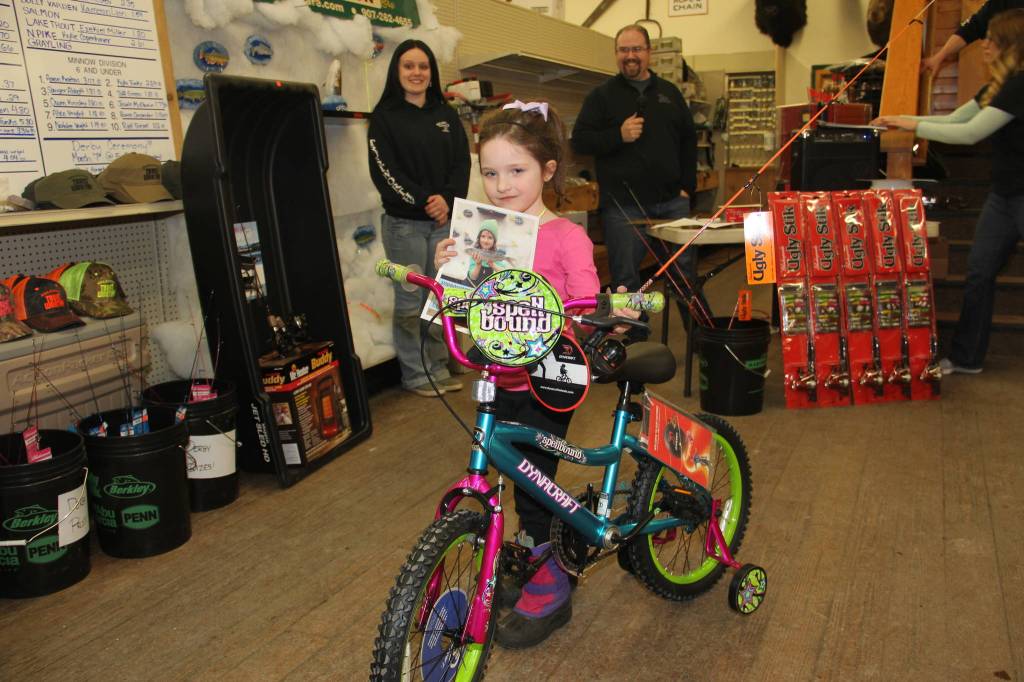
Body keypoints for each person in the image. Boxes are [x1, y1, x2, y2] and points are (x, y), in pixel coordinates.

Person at [434, 101, 638, 649]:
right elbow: (457, 304)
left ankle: (552, 581)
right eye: (491, 172)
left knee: (534, 483)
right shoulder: (485, 235)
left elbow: (587, 298)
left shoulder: (567, 237)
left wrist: (599, 313)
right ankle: (526, 550)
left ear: (548, 171)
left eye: (516, 171)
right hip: (497, 374)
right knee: (503, 471)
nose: (501, 186)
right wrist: (446, 270)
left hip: (547, 382)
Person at [873, 8, 1024, 374]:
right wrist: (904, 120)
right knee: (979, 271)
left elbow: (969, 134)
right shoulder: (997, 87)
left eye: (992, 40)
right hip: (1004, 196)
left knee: (980, 272)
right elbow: (957, 119)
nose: (983, 44)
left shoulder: (1020, 85)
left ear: (1011, 47)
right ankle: (967, 358)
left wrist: (913, 126)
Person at [571, 24, 702, 315]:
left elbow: (688, 140)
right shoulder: (601, 96)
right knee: (627, 285)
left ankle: (699, 343)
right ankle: (633, 344)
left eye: (636, 49)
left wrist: (686, 188)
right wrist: (618, 135)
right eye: (623, 50)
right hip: (623, 208)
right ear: (616, 54)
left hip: (671, 203)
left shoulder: (669, 93)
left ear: (649, 53)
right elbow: (580, 140)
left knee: (684, 277)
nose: (630, 56)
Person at [368, 39, 470, 397]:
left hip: (443, 223)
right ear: (397, 72)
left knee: (441, 299)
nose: (416, 72)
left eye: (423, 66)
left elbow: (462, 163)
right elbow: (385, 171)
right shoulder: (384, 118)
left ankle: (439, 366)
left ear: (432, 74)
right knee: (411, 303)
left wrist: (448, 201)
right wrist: (426, 199)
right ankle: (415, 374)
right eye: (408, 66)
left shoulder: (446, 115)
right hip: (404, 226)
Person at [922, 0, 1024, 74]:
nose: (985, 45)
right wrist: (939, 56)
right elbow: (972, 27)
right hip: (1010, 70)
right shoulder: (999, 3)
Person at [465, 218, 512, 286]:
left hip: (486, 289)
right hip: (471, 285)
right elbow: (473, 277)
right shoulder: (475, 254)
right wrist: (478, 264)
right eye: (483, 236)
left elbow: (504, 274)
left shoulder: (495, 255)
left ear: (494, 241)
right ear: (479, 238)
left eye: (490, 237)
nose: (486, 240)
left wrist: (492, 265)